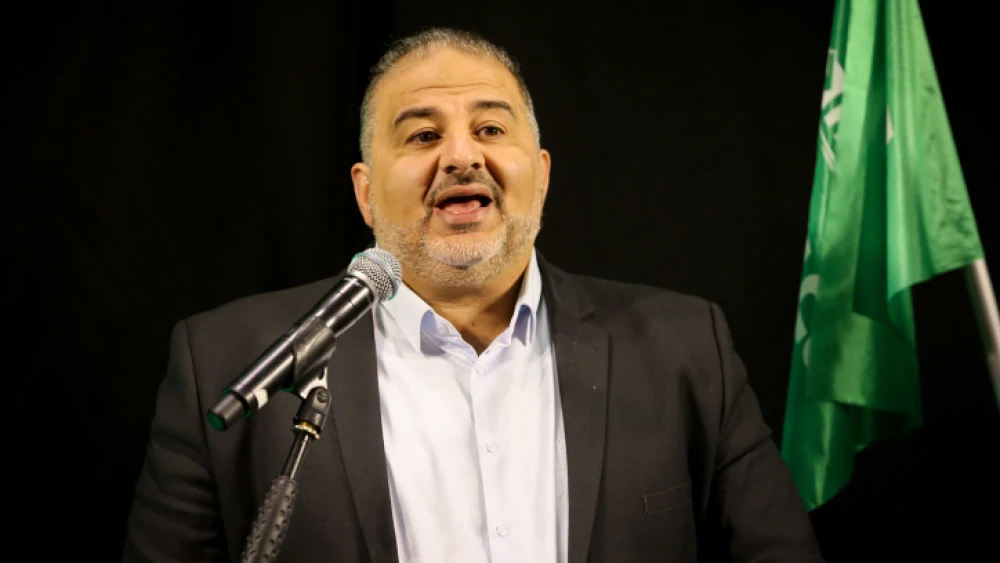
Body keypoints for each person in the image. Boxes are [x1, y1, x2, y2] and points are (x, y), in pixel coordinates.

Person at [123, 27, 824, 563]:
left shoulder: (683, 348)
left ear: (541, 174)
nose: (462, 155)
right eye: (423, 134)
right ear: (366, 192)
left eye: (490, 128)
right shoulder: (227, 361)